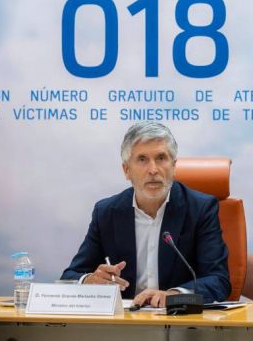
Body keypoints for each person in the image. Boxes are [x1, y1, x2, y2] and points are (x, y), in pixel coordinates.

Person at [61, 121, 231, 307]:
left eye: (161, 158)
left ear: (174, 166)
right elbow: (70, 277)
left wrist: (174, 295)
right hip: (124, 320)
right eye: (142, 159)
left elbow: (218, 280)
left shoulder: (200, 209)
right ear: (127, 170)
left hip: (177, 319)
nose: (153, 170)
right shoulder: (107, 213)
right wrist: (89, 281)